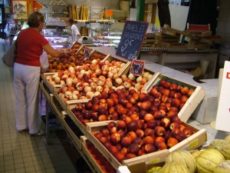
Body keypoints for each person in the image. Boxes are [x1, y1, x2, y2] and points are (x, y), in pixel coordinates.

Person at [13, 11, 64, 135]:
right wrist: (64, 51)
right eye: (43, 23)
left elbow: (16, 49)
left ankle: (21, 126)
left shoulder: (22, 33)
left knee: (20, 99)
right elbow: (54, 53)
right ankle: (33, 129)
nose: (43, 25)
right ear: (40, 23)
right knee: (32, 100)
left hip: (18, 67)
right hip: (31, 70)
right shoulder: (39, 37)